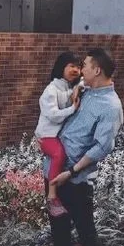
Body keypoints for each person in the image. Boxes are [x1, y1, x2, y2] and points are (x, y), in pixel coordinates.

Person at [37, 48, 122, 246]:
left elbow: (102, 147)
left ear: (97, 69)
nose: (80, 70)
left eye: (84, 65)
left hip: (76, 179)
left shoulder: (110, 106)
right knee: (59, 234)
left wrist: (72, 171)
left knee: (88, 235)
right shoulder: (85, 90)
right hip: (53, 172)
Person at [36, 51, 83, 216]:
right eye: (72, 66)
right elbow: (53, 115)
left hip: (56, 135)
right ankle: (52, 196)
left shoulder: (68, 87)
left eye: (79, 67)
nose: (76, 70)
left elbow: (84, 81)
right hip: (46, 136)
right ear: (61, 67)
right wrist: (72, 109)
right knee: (59, 155)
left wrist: (79, 86)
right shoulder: (51, 90)